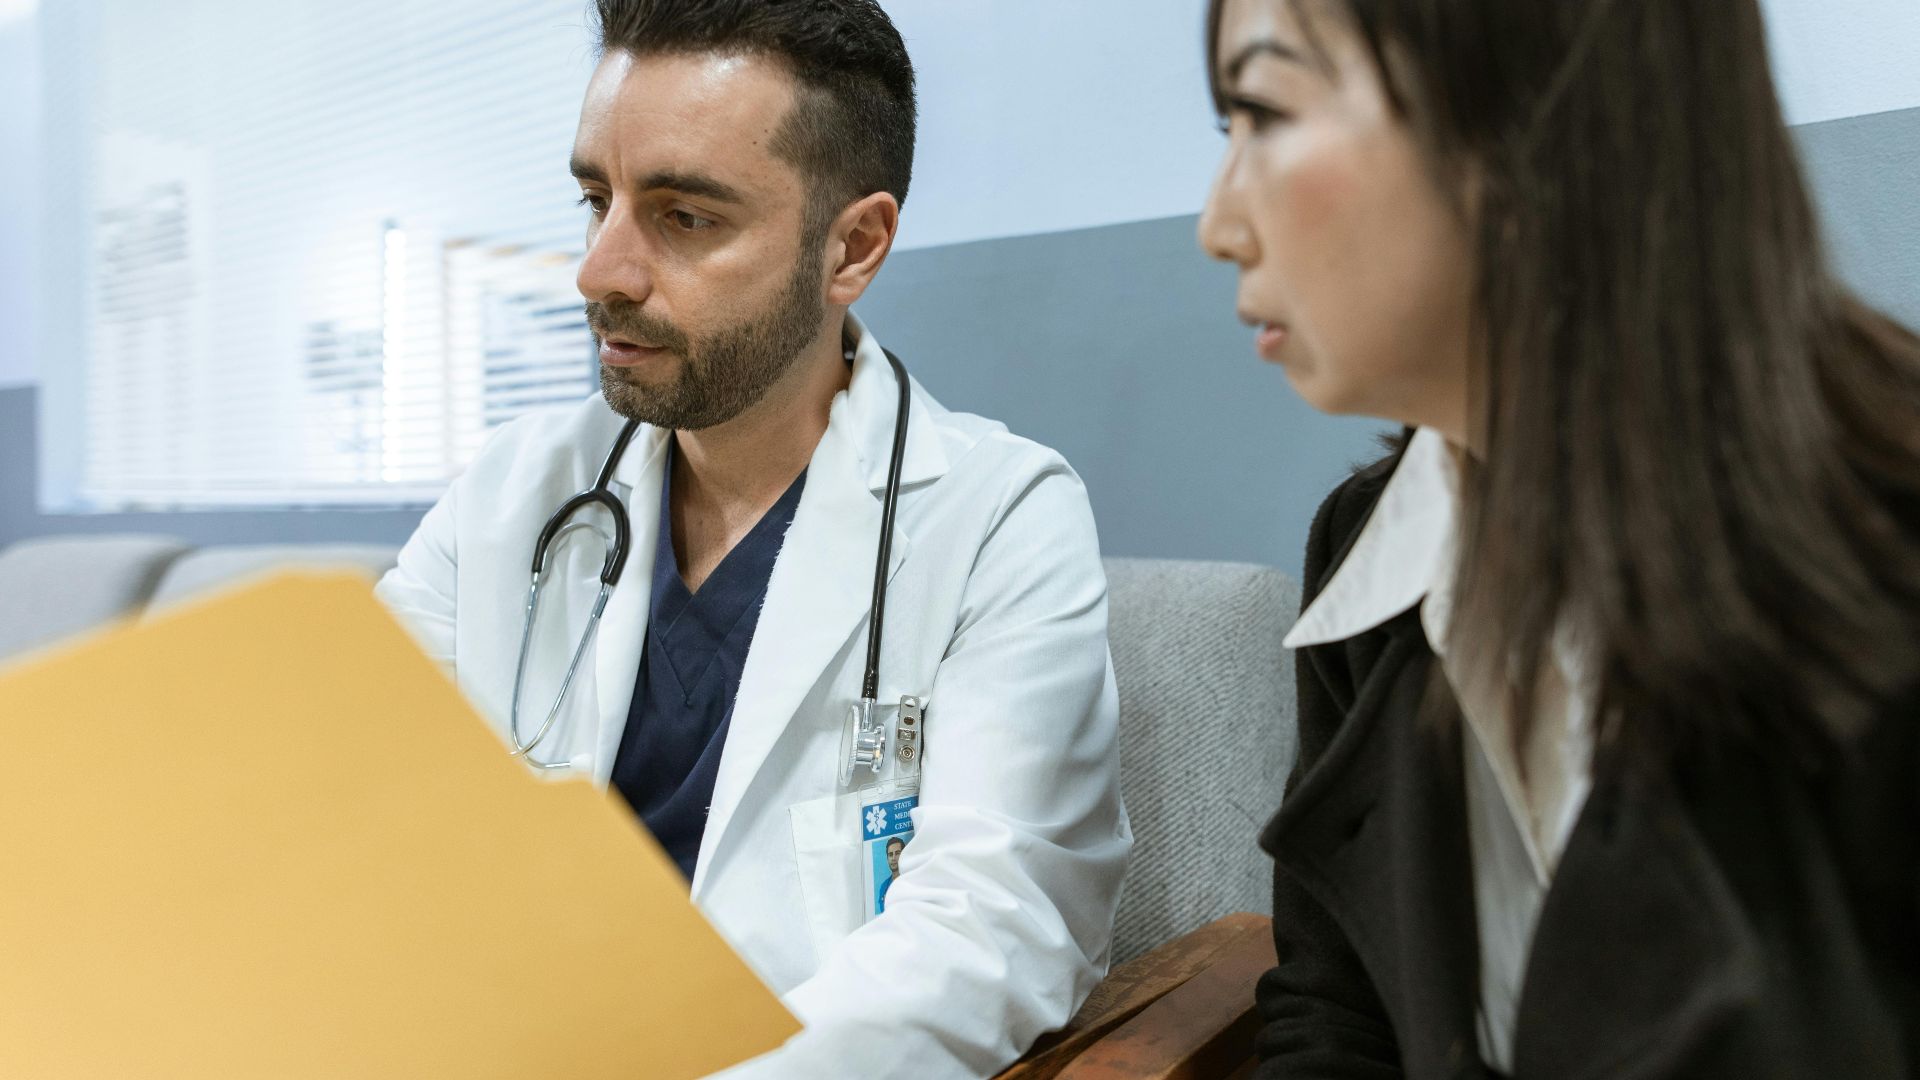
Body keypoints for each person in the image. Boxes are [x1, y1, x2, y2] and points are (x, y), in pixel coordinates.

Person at [376, 2, 1130, 1075]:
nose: (599, 271)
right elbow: (357, 817)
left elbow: (990, 930)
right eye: (595, 201)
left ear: (852, 248)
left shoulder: (998, 518)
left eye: (684, 217)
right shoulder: (513, 493)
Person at [1197, 0, 1920, 1076]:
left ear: (1529, 112)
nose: (1219, 224)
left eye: (1267, 112)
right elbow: (1336, 1011)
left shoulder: (1885, 547)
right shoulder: (1366, 555)